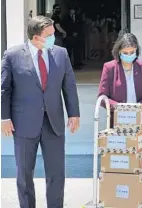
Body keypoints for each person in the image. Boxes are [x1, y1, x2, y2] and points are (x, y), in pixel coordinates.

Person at [1, 16, 80, 208]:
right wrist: (4, 117)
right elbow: (5, 89)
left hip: (53, 122)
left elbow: (69, 86)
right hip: (24, 123)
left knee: (56, 173)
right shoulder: (12, 56)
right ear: (36, 37)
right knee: (24, 173)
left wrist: (74, 113)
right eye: (50, 35)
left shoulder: (61, 54)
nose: (55, 38)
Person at [98, 33, 142, 150]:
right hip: (118, 124)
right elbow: (102, 97)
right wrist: (120, 108)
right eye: (125, 53)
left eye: (132, 52)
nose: (129, 55)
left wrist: (139, 107)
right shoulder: (109, 68)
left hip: (140, 123)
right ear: (118, 51)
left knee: (139, 163)